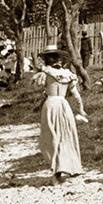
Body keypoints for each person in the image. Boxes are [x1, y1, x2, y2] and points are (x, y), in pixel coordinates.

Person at [35, 45, 86, 184]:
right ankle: (70, 167)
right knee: (66, 134)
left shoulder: (45, 72)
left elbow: (37, 86)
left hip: (51, 104)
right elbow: (76, 95)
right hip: (64, 105)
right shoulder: (68, 74)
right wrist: (81, 109)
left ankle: (57, 169)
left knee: (51, 136)